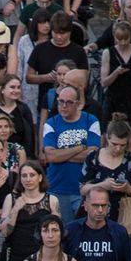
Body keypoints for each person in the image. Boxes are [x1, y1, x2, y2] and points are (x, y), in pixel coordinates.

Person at [0, 160, 60, 261]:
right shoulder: (11, 199)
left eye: (32, 175)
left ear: (40, 177)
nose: (28, 179)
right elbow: (5, 232)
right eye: (24, 175)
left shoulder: (51, 200)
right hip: (17, 257)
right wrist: (15, 210)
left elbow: (58, 233)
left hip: (43, 257)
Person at [40, 83, 101, 224]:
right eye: (60, 101)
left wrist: (61, 155)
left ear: (78, 104)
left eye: (68, 102)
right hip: (57, 187)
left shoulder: (91, 121)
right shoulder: (51, 123)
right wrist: (80, 148)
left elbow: (93, 155)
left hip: (83, 188)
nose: (63, 106)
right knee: (62, 233)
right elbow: (51, 156)